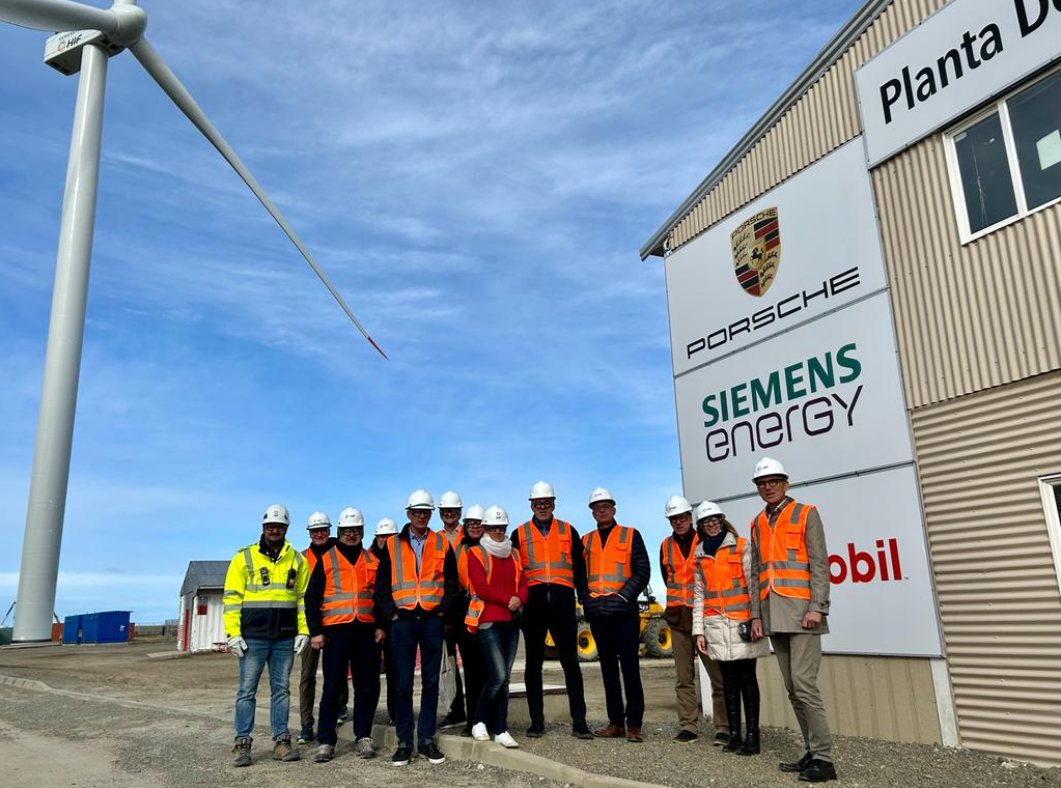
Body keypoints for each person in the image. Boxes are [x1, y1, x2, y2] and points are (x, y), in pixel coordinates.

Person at [749, 457, 836, 783]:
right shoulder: (757, 522)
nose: (767, 486)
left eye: (773, 481)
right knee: (792, 689)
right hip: (773, 614)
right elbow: (757, 573)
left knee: (804, 685)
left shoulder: (806, 513)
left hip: (803, 614)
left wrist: (818, 606)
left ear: (785, 483)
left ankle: (825, 760)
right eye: (762, 483)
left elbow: (819, 563)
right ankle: (812, 753)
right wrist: (757, 615)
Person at [373, 490, 460, 767]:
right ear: (408, 513)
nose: (421, 516)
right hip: (404, 622)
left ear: (430, 514)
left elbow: (452, 582)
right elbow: (382, 586)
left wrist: (442, 609)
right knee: (403, 684)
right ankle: (404, 742)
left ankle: (425, 740)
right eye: (417, 512)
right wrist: (392, 614)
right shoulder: (393, 545)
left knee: (431, 683)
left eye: (426, 512)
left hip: (432, 620)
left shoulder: (440, 543)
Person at [222, 503, 310, 767]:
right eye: (270, 526)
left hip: (284, 638)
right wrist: (233, 633)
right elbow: (231, 599)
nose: (275, 530)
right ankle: (242, 743)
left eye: (279, 526)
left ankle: (281, 742)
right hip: (253, 638)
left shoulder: (297, 559)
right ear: (263, 528)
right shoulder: (244, 558)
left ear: (286, 529)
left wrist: (303, 630)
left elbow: (303, 599)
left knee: (281, 690)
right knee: (247, 691)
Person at [511, 481, 593, 739]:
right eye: (538, 503)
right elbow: (515, 572)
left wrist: (584, 599)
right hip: (533, 607)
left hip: (563, 605)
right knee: (533, 665)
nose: (542, 507)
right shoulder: (519, 534)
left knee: (571, 663)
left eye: (546, 503)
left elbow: (580, 570)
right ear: (531, 505)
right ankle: (536, 722)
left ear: (554, 504)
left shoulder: (569, 531)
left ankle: (579, 721)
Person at [304, 507, 385, 763]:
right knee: (332, 689)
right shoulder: (326, 560)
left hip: (366, 632)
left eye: (356, 531)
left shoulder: (373, 561)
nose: (351, 535)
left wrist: (382, 626)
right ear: (339, 533)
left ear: (362, 532)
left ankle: (363, 736)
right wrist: (316, 631)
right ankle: (327, 741)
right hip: (335, 633)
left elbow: (381, 599)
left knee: (366, 687)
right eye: (347, 531)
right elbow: (312, 598)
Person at [692, 500, 769, 756]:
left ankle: (753, 736)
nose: (711, 524)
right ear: (701, 526)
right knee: (728, 680)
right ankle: (734, 735)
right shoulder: (700, 552)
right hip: (715, 625)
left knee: (747, 678)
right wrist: (698, 630)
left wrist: (756, 618)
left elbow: (753, 584)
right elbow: (700, 595)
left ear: (721, 520)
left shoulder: (741, 545)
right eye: (705, 522)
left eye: (714, 520)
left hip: (742, 623)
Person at [582, 487, 650, 743]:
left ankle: (634, 724)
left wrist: (622, 598)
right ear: (592, 512)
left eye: (606, 506)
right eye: (597, 507)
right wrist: (586, 601)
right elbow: (581, 576)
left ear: (614, 509)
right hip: (598, 614)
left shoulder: (631, 535)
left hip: (624, 613)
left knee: (630, 668)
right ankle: (615, 722)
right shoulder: (586, 541)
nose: (601, 510)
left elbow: (642, 570)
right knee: (608, 669)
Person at [660, 495, 727, 745]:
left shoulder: (707, 541)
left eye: (683, 517)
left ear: (691, 518)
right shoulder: (665, 546)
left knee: (718, 676)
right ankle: (688, 725)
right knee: (684, 678)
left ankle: (723, 727)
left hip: (706, 618)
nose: (679, 522)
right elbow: (669, 579)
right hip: (679, 620)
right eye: (674, 519)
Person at [465, 505, 528, 749]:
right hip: (488, 621)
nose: (498, 532)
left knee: (505, 678)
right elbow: (481, 587)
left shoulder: (514, 554)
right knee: (498, 675)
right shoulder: (476, 553)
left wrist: (520, 598)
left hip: (511, 623)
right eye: (493, 528)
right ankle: (479, 720)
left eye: (502, 528)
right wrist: (508, 599)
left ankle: (501, 728)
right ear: (485, 529)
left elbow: (523, 582)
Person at [297, 512, 348, 745]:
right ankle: (307, 723)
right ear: (309, 533)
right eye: (315, 530)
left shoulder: (340, 553)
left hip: (335, 622)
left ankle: (340, 707)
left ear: (330, 531)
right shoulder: (301, 559)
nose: (319, 534)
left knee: (336, 671)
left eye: (323, 530)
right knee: (307, 675)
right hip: (308, 626)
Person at [450, 504, 487, 736]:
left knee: (491, 671)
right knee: (472, 672)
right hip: (466, 615)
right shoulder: (456, 549)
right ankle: (473, 720)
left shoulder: (492, 546)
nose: (474, 527)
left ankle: (490, 718)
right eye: (471, 523)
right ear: (465, 525)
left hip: (489, 613)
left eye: (478, 523)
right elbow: (451, 583)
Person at [437, 490, 468, 730]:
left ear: (460, 512)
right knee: (448, 662)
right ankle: (456, 709)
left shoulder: (469, 535)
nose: (450, 514)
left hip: (467, 604)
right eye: (446, 511)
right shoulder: (434, 539)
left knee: (472, 659)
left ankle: (476, 710)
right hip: (445, 606)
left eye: (454, 511)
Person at [370, 517, 399, 725]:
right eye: (382, 536)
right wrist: (377, 625)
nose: (385, 540)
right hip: (371, 624)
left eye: (389, 536)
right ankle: (368, 714)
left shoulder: (400, 560)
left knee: (394, 673)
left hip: (393, 623)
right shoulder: (368, 559)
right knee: (369, 674)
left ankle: (395, 714)